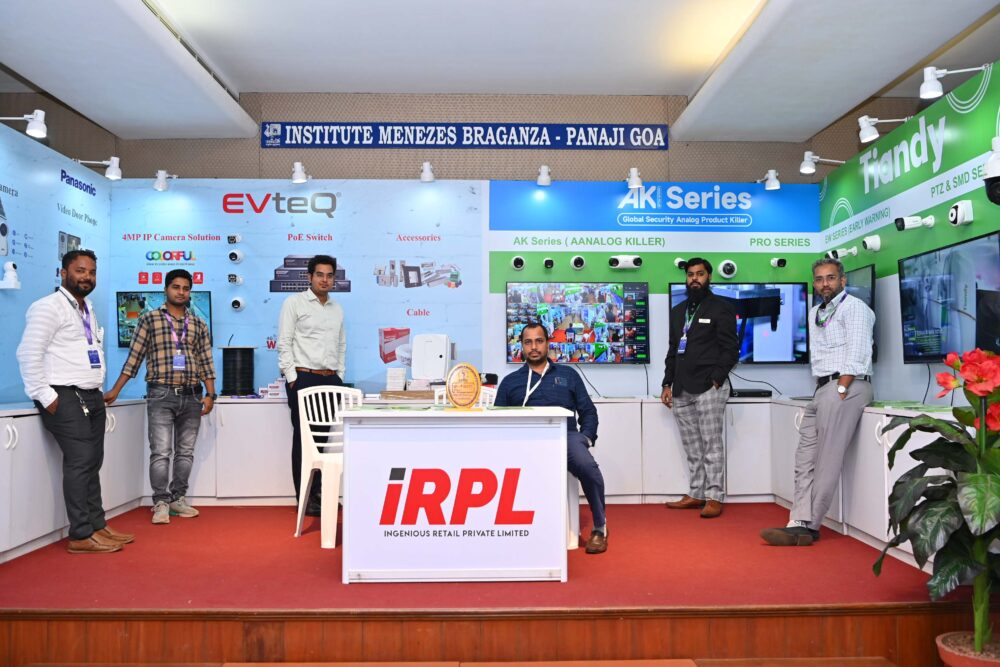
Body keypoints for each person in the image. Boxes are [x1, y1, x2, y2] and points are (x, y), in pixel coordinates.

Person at [15, 250, 134, 554]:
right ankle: (80, 535)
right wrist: (46, 396)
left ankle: (97, 525)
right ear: (63, 273)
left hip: (91, 395)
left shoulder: (87, 308)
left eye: (92, 272)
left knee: (93, 463)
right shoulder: (48, 307)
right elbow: (28, 353)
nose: (87, 277)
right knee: (80, 463)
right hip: (64, 395)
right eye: (80, 271)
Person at [761, 257, 875, 546]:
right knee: (805, 459)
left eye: (831, 278)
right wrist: (826, 389)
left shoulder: (855, 308)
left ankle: (811, 526)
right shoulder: (816, 312)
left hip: (847, 386)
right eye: (820, 279)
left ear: (843, 280)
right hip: (823, 388)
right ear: (814, 283)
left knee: (827, 459)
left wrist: (841, 388)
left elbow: (858, 352)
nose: (825, 284)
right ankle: (797, 520)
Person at [104, 269, 216, 525]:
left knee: (185, 452)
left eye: (186, 288)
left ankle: (178, 498)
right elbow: (134, 359)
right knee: (161, 452)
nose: (181, 292)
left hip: (192, 395)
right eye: (176, 287)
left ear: (190, 292)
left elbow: (206, 362)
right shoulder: (149, 319)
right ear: (166, 289)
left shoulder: (198, 323)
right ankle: (161, 502)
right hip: (161, 394)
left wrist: (210, 394)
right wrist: (115, 391)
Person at [494, 322, 608, 554]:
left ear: (547, 343)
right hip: (525, 442)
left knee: (587, 465)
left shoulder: (569, 375)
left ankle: (599, 527)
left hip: (565, 438)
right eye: (528, 342)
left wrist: (586, 438)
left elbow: (588, 412)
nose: (534, 347)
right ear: (521, 346)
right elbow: (497, 421)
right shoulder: (510, 382)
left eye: (539, 341)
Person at [661, 257, 739, 519]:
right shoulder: (678, 311)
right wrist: (667, 383)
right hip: (681, 388)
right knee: (692, 446)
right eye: (690, 274)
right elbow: (673, 350)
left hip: (709, 387)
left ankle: (714, 496)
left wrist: (716, 379)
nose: (694, 278)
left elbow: (731, 349)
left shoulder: (721, 308)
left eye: (700, 274)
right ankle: (696, 493)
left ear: (709, 277)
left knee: (711, 444)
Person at [277, 254, 346, 517]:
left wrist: (339, 375)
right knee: (304, 441)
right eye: (320, 275)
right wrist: (292, 378)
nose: (324, 280)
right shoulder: (293, 303)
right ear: (309, 277)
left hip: (330, 380)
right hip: (304, 379)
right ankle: (304, 498)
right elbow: (284, 342)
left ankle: (319, 494)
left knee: (322, 440)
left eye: (329, 275)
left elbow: (341, 345)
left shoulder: (337, 309)